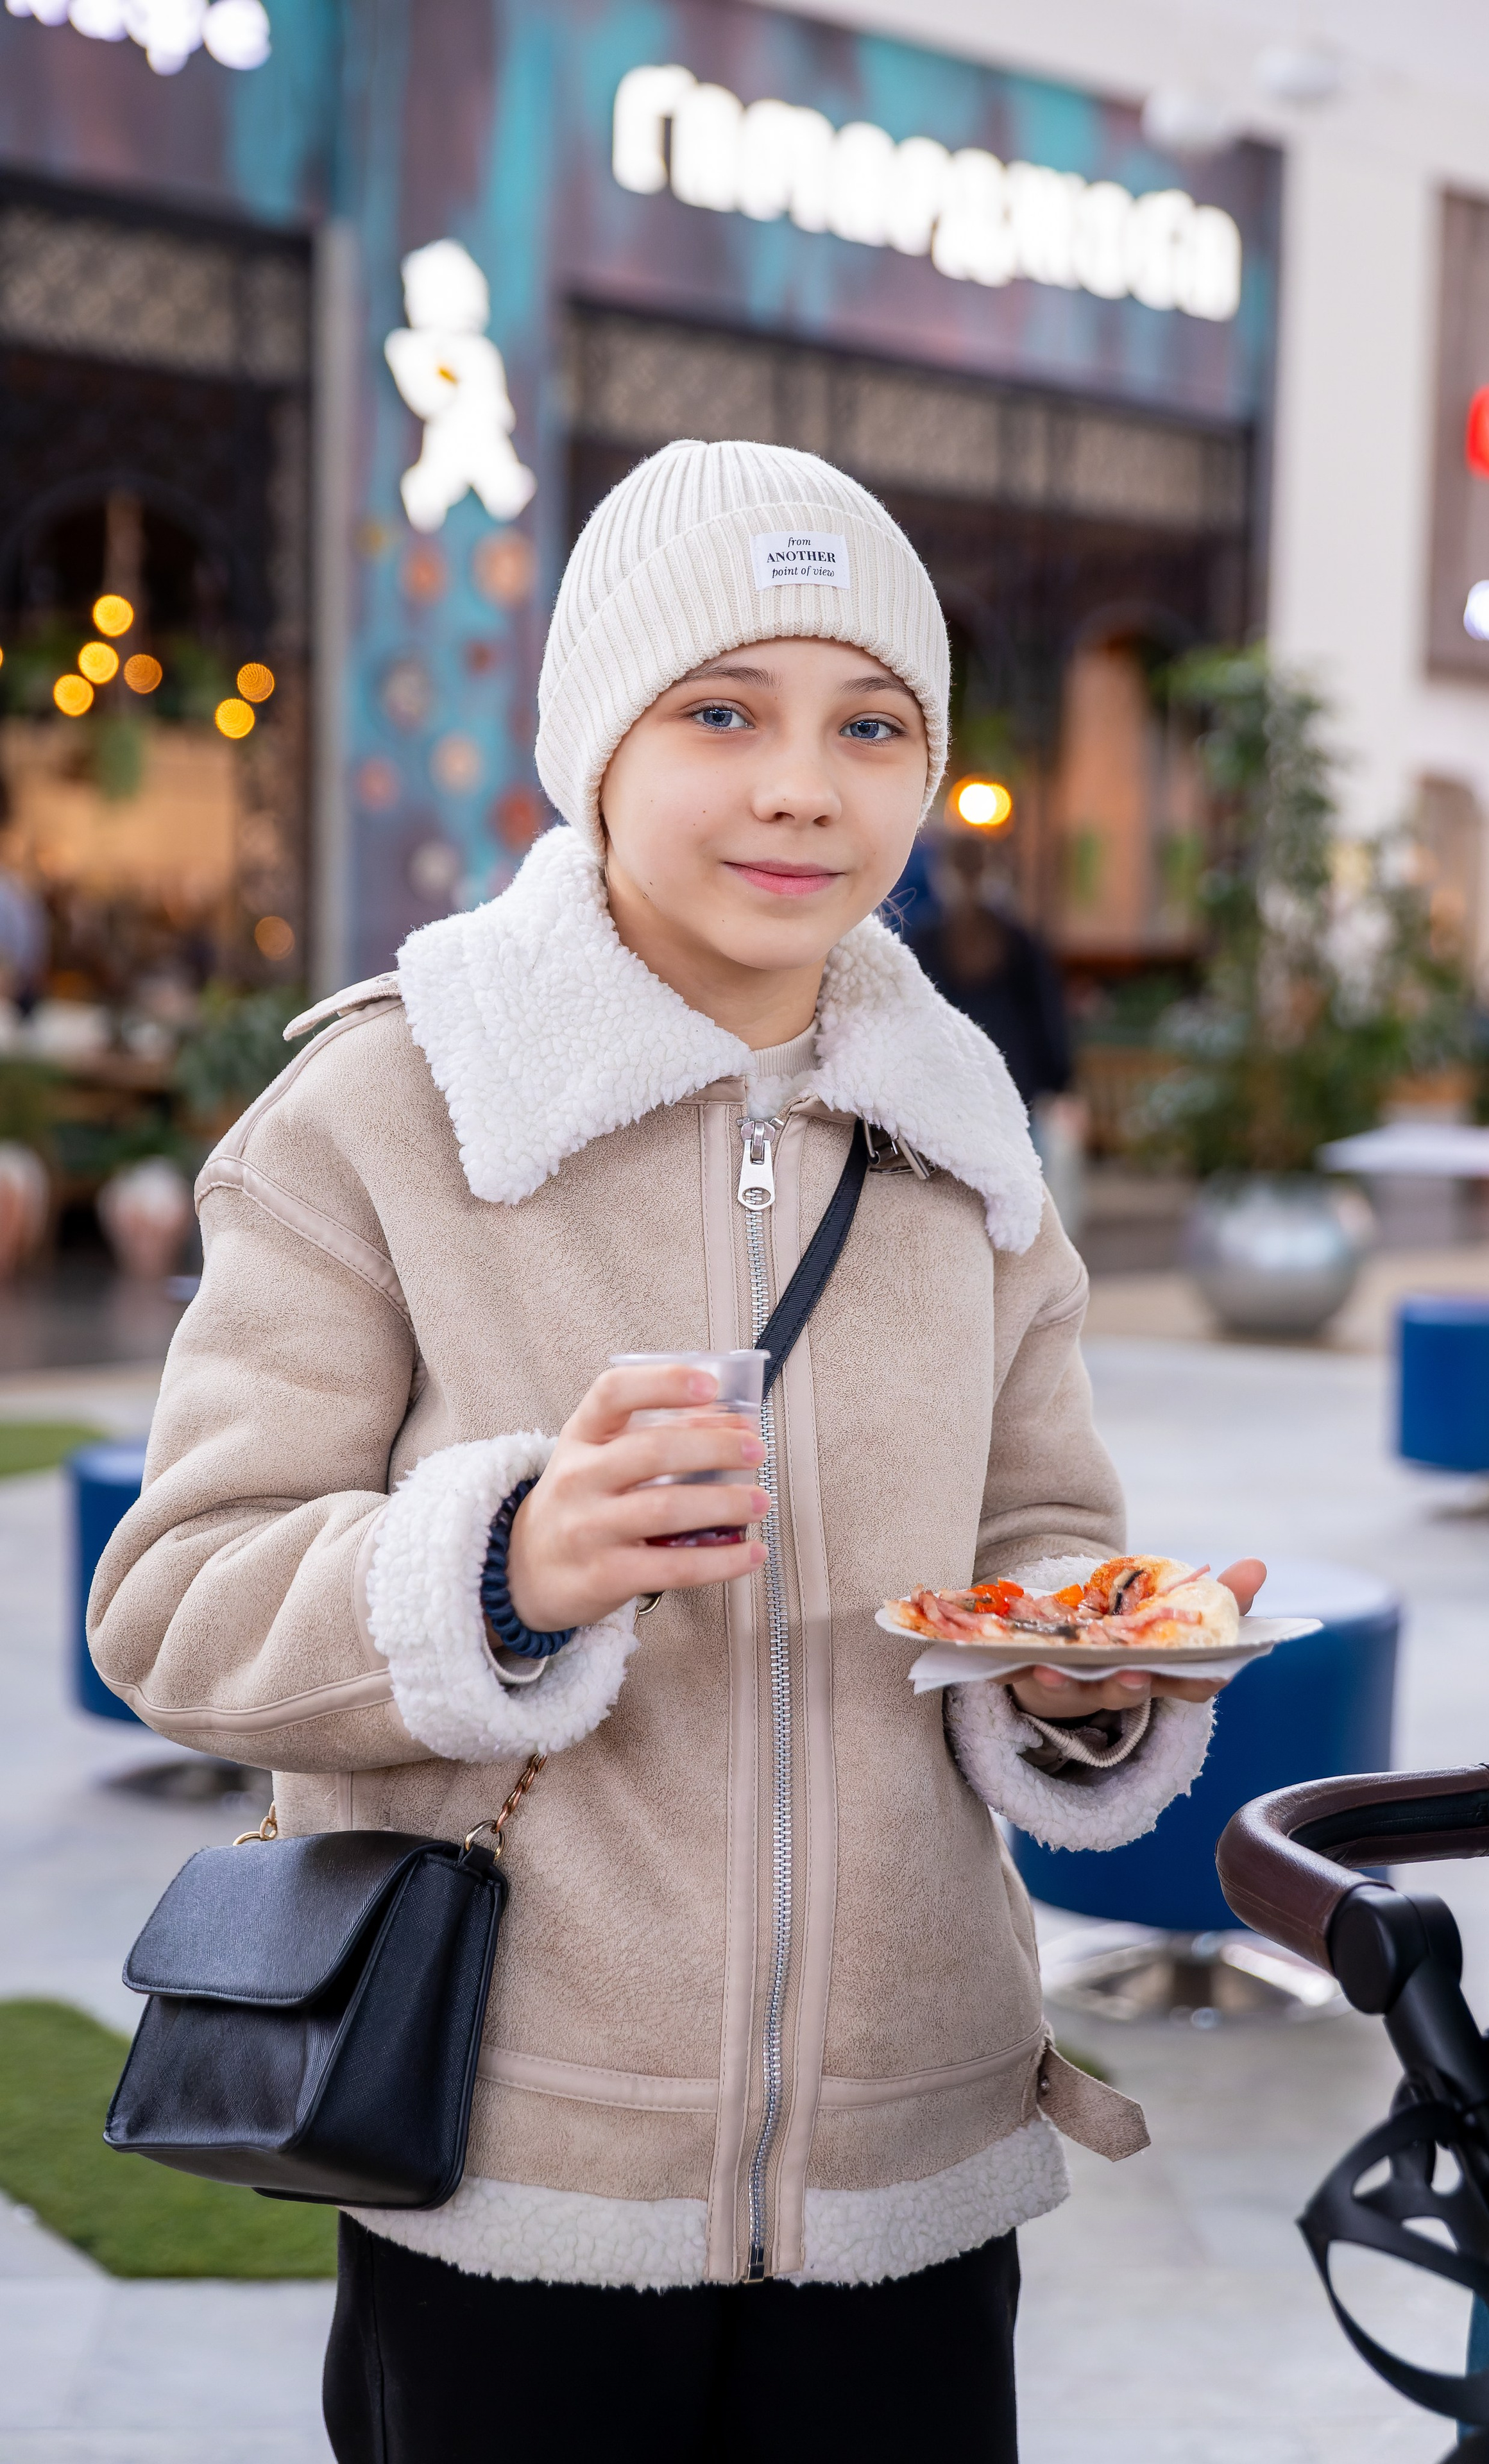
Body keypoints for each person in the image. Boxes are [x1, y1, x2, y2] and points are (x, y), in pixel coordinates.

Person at [89, 441, 1262, 2464]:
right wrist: (503, 1560)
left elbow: (1042, 1528)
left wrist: (1077, 1669)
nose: (803, 782)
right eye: (722, 709)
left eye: (870, 723)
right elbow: (175, 1600)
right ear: (592, 748)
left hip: (914, 2152)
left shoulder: (963, 1140)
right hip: (507, 2163)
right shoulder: (387, 1105)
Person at [909, 832, 1072, 1111]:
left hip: (947, 1088)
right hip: (1010, 1087)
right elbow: (1046, 1018)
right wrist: (1058, 1082)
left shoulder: (923, 941)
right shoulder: (1019, 939)